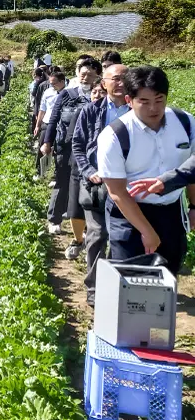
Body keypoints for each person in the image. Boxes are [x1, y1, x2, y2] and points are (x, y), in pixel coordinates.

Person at [97, 65, 195, 275]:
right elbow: (117, 192)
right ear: (129, 101)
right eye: (144, 101)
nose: (153, 109)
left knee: (168, 274)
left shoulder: (185, 122)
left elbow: (191, 169)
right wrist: (147, 231)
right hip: (129, 213)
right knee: (130, 279)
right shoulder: (114, 135)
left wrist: (194, 206)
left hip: (171, 210)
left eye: (159, 100)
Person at [71, 63, 130, 306]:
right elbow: (78, 145)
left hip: (126, 187)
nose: (120, 83)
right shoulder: (91, 111)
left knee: (122, 235)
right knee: (97, 234)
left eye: (125, 78)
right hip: (96, 185)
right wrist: (89, 171)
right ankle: (94, 287)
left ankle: (117, 285)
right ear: (103, 83)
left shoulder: (136, 113)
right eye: (114, 79)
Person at [42, 58, 101, 252]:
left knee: (86, 188)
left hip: (88, 152)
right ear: (77, 74)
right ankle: (55, 218)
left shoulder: (99, 96)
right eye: (83, 73)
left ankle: (83, 227)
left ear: (97, 77)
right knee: (62, 181)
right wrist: (47, 142)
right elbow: (54, 119)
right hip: (65, 147)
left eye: (90, 74)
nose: (85, 77)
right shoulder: (67, 94)